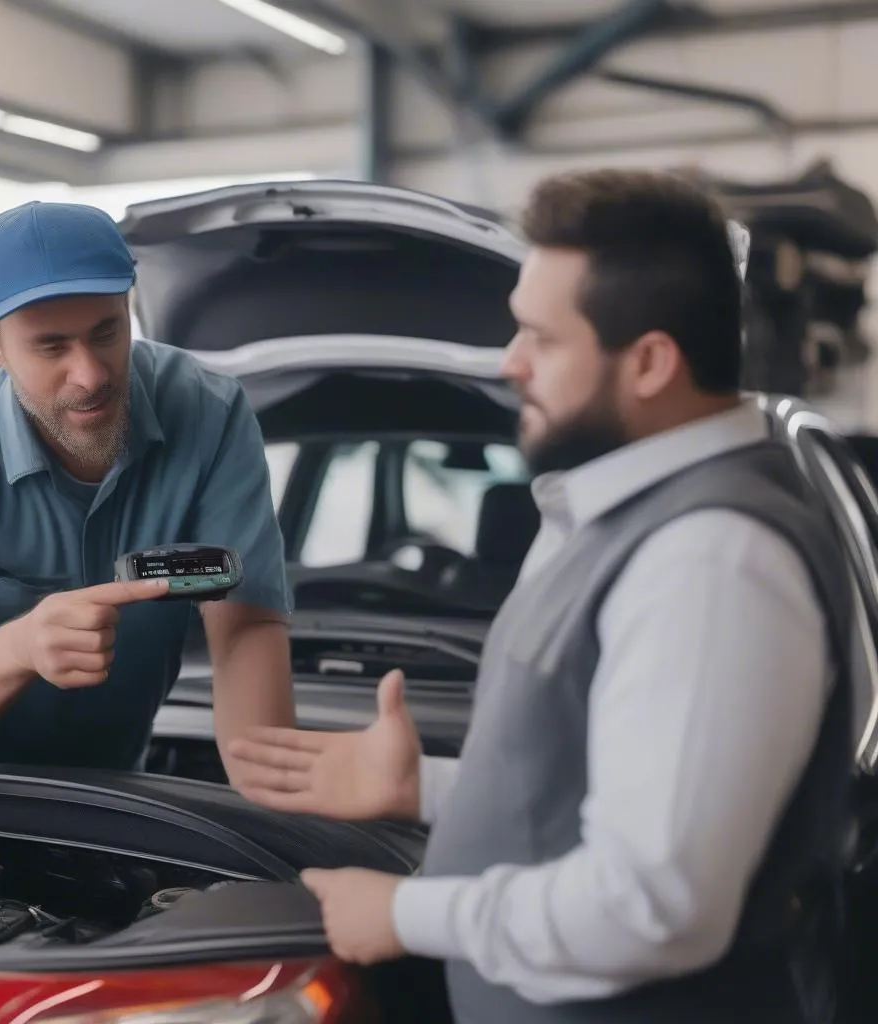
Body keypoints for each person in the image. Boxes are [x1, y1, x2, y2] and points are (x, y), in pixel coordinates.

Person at [226, 169, 855, 1022]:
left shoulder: (710, 558)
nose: (508, 361)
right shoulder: (621, 516)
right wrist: (428, 789)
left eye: (540, 338)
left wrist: (404, 913)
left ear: (650, 362)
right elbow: (597, 784)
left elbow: (653, 909)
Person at [0, 200, 294, 777]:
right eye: (52, 347)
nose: (90, 374)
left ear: (129, 307)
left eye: (106, 331)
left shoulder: (209, 415)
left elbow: (247, 622)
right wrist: (19, 648)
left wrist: (274, 803)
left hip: (120, 808)